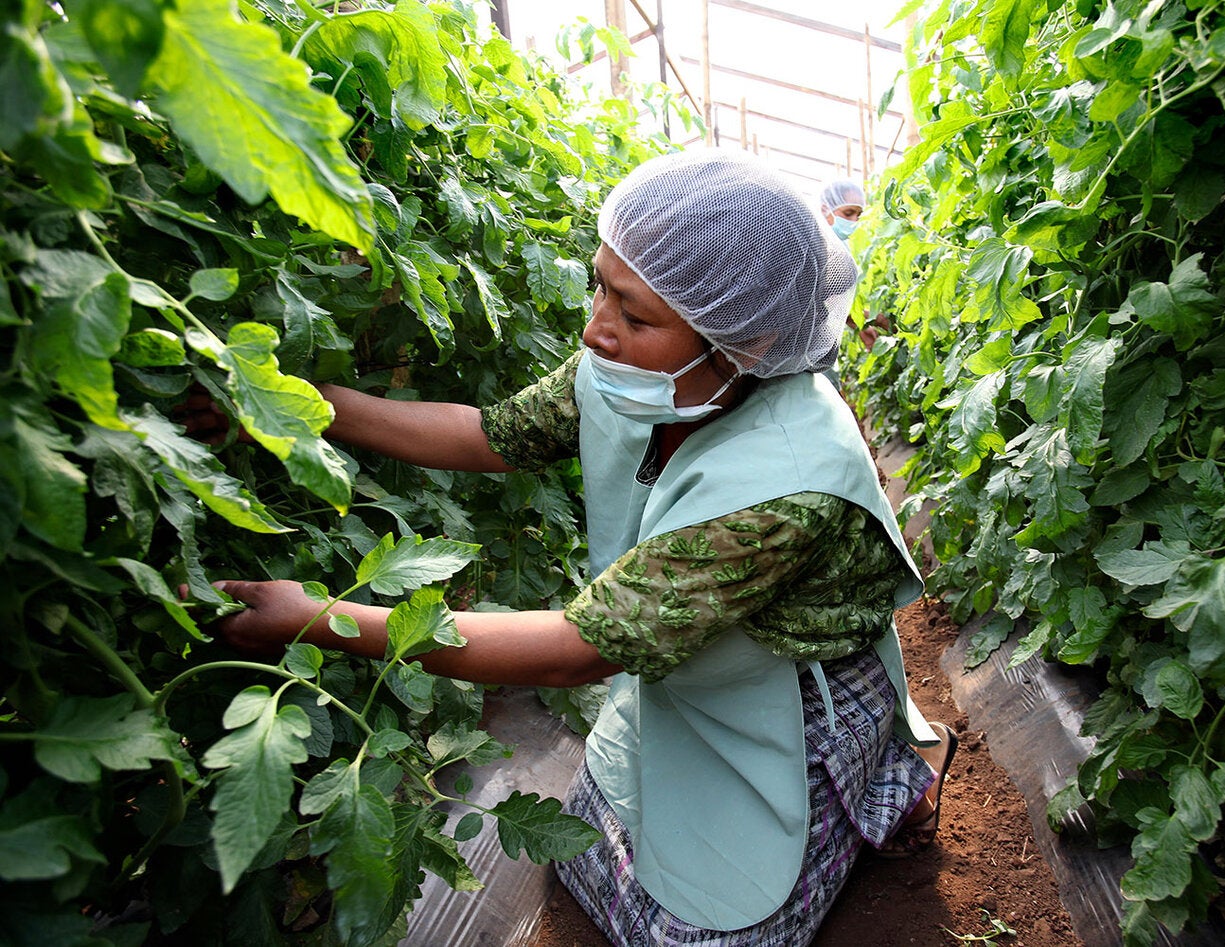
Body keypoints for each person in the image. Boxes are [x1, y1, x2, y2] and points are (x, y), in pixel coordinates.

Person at [202, 149, 957, 946]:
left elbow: (576, 650)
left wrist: (316, 619)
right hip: (688, 661)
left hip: (795, 690)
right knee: (598, 842)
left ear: (750, 339)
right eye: (602, 285)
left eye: (633, 314)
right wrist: (298, 405)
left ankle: (873, 785)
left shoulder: (787, 485)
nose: (597, 327)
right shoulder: (645, 370)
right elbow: (489, 434)